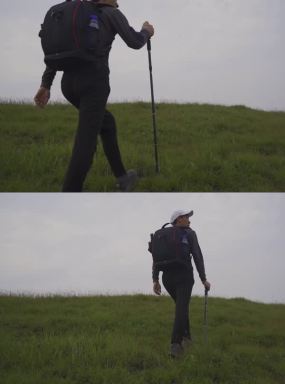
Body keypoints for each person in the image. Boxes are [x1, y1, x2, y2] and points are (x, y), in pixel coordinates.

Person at [34, 0, 155, 192]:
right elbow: (135, 41)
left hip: (69, 85)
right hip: (93, 85)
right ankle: (70, 191)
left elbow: (60, 51)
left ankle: (123, 178)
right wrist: (146, 31)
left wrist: (45, 85)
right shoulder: (111, 13)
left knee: (107, 123)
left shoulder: (76, 13)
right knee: (86, 142)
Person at [153, 209, 211, 358]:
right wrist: (203, 279)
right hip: (184, 277)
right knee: (181, 309)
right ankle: (175, 345)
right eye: (186, 217)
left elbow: (156, 258)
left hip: (167, 279)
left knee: (181, 307)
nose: (189, 220)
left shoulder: (162, 236)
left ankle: (187, 338)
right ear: (178, 220)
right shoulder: (189, 233)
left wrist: (156, 280)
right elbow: (197, 256)